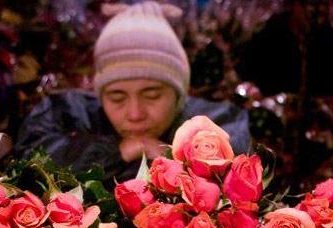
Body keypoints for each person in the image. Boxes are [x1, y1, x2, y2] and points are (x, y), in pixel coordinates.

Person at [16, 1, 250, 183]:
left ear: (179, 93)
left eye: (152, 95)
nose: (135, 113)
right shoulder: (69, 112)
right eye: (117, 97)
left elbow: (237, 175)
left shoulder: (219, 124)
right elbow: (30, 158)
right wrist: (113, 152)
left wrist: (170, 159)